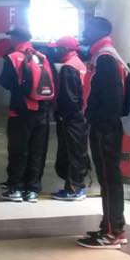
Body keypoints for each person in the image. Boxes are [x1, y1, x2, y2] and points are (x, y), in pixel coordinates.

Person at [77, 17, 128, 249]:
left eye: (88, 28)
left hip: (105, 128)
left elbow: (112, 98)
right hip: (104, 126)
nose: (84, 31)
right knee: (108, 180)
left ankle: (113, 232)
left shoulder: (105, 58)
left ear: (99, 31)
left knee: (109, 180)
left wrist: (101, 125)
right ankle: (111, 226)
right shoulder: (103, 55)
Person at [0, 27, 55, 203]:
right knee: (37, 151)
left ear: (16, 38)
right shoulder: (43, 56)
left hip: (20, 111)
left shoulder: (13, 57)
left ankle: (15, 188)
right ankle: (32, 190)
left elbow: (5, 81)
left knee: (18, 150)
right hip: (42, 110)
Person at [49, 36, 90, 202]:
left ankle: (73, 188)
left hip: (71, 118)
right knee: (78, 151)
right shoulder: (80, 64)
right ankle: (77, 186)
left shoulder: (68, 67)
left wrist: (60, 115)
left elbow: (68, 97)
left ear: (65, 49)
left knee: (71, 152)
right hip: (82, 116)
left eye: (57, 47)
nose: (55, 50)